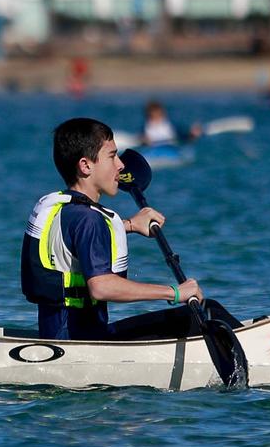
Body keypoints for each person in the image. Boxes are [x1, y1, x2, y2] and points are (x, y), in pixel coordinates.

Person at [21, 117, 243, 343]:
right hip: (82, 342)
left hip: (60, 334)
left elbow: (74, 240)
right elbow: (101, 287)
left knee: (206, 315)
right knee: (209, 312)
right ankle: (258, 346)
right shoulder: (89, 219)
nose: (121, 164)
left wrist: (129, 225)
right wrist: (175, 292)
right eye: (112, 156)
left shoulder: (66, 208)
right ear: (86, 165)